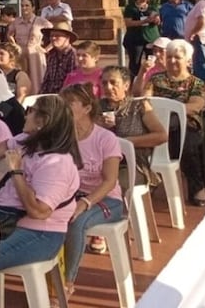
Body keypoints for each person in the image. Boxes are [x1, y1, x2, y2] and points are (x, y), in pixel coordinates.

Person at [0, 95, 81, 306]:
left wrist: (17, 171)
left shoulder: (57, 163)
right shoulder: (29, 141)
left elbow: (39, 211)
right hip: (4, 218)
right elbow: (5, 143)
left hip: (39, 232)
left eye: (30, 109)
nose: (26, 113)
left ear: (43, 121)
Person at [60, 83, 124, 298]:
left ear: (87, 108)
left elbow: (109, 181)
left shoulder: (105, 139)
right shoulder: (62, 136)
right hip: (73, 194)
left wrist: (85, 202)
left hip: (106, 199)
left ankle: (67, 282)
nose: (63, 108)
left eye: (70, 104)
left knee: (77, 221)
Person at [142, 39, 205, 205]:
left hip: (185, 125)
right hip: (155, 123)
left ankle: (197, 187)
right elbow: (145, 100)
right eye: (169, 56)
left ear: (187, 60)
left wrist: (167, 110)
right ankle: (146, 180)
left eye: (177, 57)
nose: (172, 60)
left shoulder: (196, 83)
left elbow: (196, 106)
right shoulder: (156, 79)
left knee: (188, 142)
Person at [99, 65, 167, 187]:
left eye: (113, 82)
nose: (108, 87)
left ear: (126, 85)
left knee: (114, 185)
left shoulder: (139, 105)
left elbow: (161, 136)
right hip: (101, 163)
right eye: (104, 83)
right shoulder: (97, 107)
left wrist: (126, 143)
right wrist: (99, 126)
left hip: (132, 164)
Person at [7, 0, 51, 95]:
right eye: (22, 6)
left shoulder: (41, 21)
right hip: (20, 54)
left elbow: (55, 34)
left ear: (33, 7)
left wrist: (46, 49)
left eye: (27, 5)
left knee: (36, 79)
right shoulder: (16, 22)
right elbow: (9, 34)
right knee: (21, 77)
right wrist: (14, 45)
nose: (24, 8)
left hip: (35, 54)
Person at [123, 0, 160, 76]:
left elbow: (158, 21)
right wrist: (144, 21)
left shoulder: (152, 7)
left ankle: (150, 82)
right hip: (135, 39)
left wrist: (155, 20)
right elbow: (128, 23)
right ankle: (133, 83)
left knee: (152, 61)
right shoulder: (131, 8)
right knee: (135, 63)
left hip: (151, 38)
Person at [40, 21, 78, 95]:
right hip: (50, 95)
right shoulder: (52, 55)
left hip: (66, 96)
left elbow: (71, 82)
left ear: (67, 38)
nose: (53, 38)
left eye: (57, 36)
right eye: (51, 36)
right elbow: (46, 79)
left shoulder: (73, 55)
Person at [184, 0, 205, 81]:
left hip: (199, 38)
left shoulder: (202, 4)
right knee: (198, 63)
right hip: (197, 39)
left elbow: (202, 20)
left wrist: (193, 32)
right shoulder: (200, 4)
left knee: (202, 64)